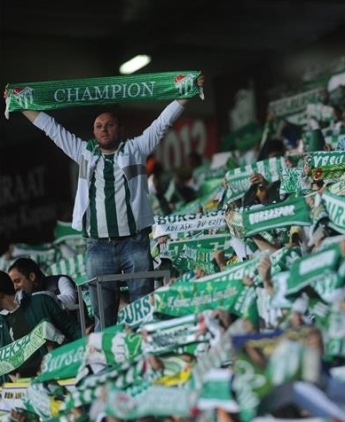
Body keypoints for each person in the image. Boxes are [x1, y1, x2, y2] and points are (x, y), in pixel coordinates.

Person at [4, 73, 205, 330]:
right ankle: (106, 353)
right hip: (98, 246)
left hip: (134, 242)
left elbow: (163, 123)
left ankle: (147, 344)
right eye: (99, 126)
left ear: (120, 130)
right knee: (103, 314)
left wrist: (188, 92)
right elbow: (51, 128)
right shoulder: (83, 152)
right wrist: (20, 104)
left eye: (109, 125)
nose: (104, 129)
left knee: (143, 307)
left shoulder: (136, 148)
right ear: (93, 132)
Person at [0, 271, 81, 378]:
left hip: (60, 373)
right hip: (23, 383)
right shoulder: (2, 322)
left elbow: (73, 331)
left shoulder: (41, 301)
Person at [8, 257, 78, 311]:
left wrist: (39, 302)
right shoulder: (22, 296)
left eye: (17, 281)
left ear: (32, 276)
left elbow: (70, 299)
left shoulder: (60, 281)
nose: (15, 287)